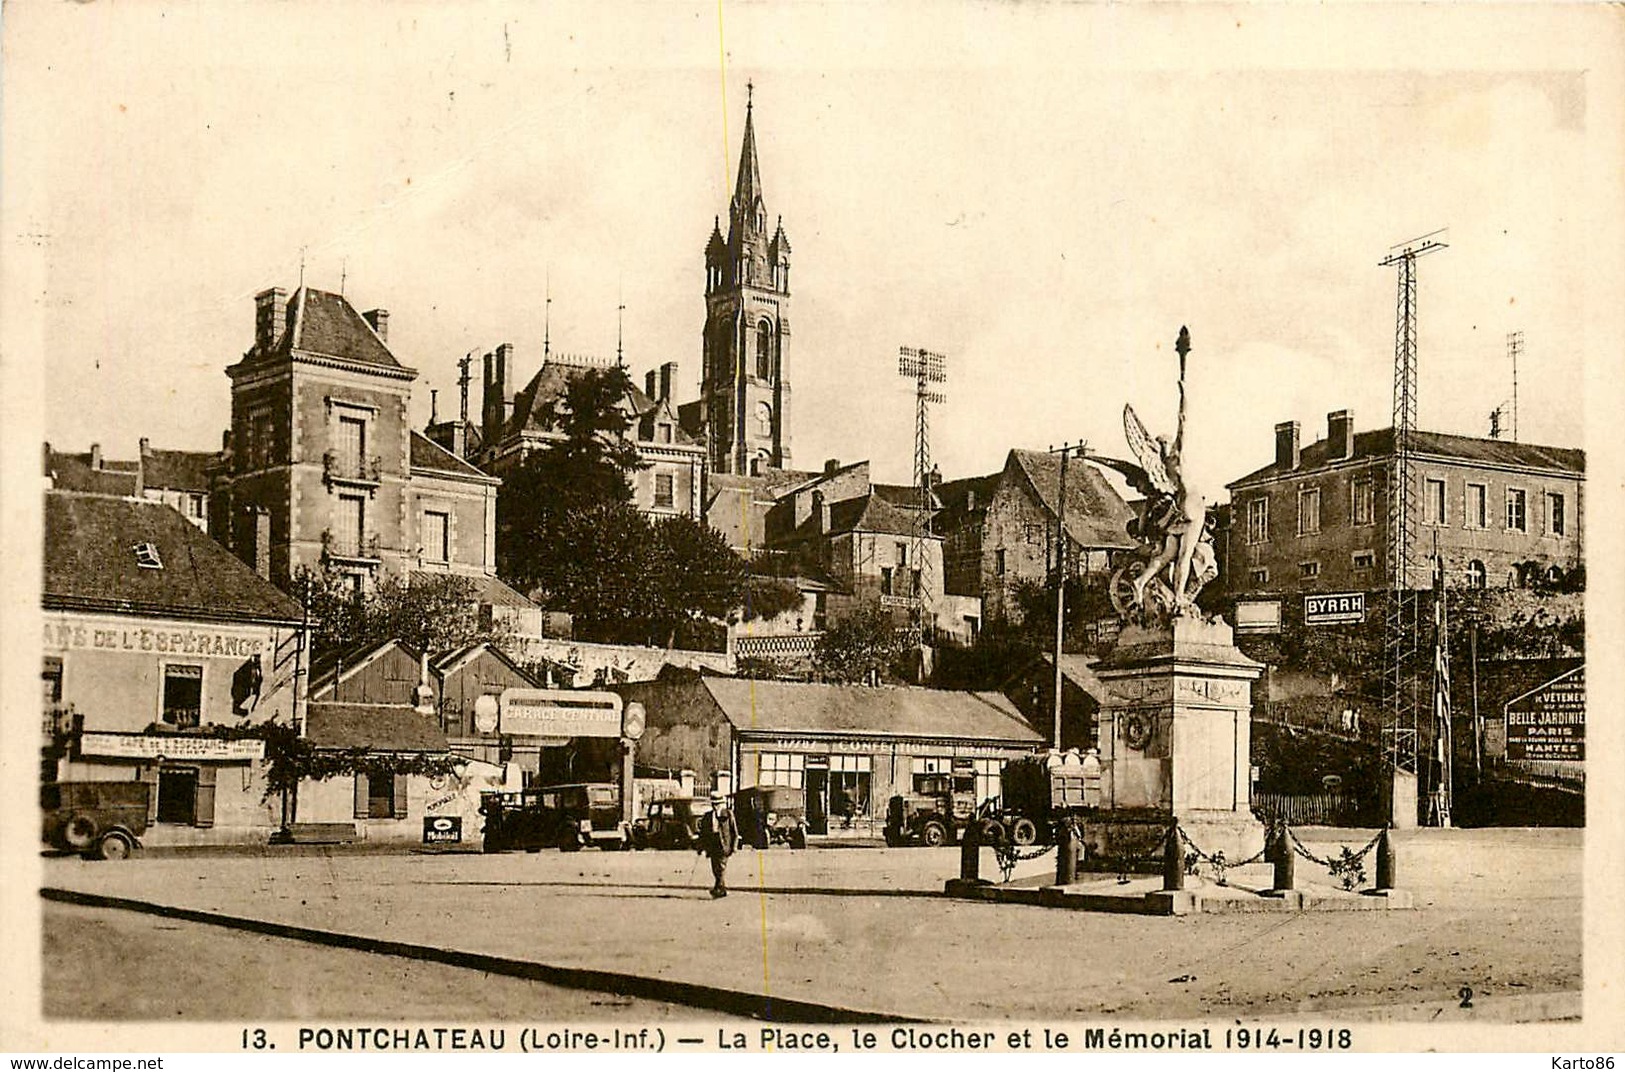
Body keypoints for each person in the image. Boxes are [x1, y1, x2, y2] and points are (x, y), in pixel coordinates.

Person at [697, 790, 739, 899]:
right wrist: (700, 847)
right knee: (715, 868)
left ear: (721, 804)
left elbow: (734, 832)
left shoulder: (728, 814)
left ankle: (718, 889)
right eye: (713, 804)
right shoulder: (707, 816)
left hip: (724, 844)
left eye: (717, 804)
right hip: (713, 843)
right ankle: (721, 889)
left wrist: (734, 846)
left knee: (721, 867)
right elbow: (703, 834)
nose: (715, 807)